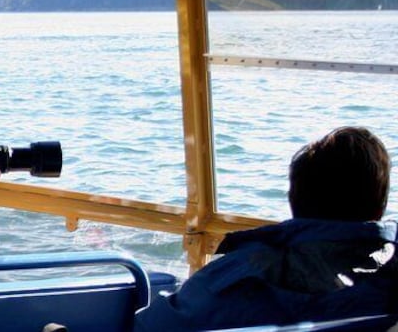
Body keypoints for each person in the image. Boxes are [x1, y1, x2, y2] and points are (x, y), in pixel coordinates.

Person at [135, 126, 398, 331]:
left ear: (294, 200)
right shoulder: (386, 280)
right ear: (378, 209)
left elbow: (152, 327)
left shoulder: (233, 278)